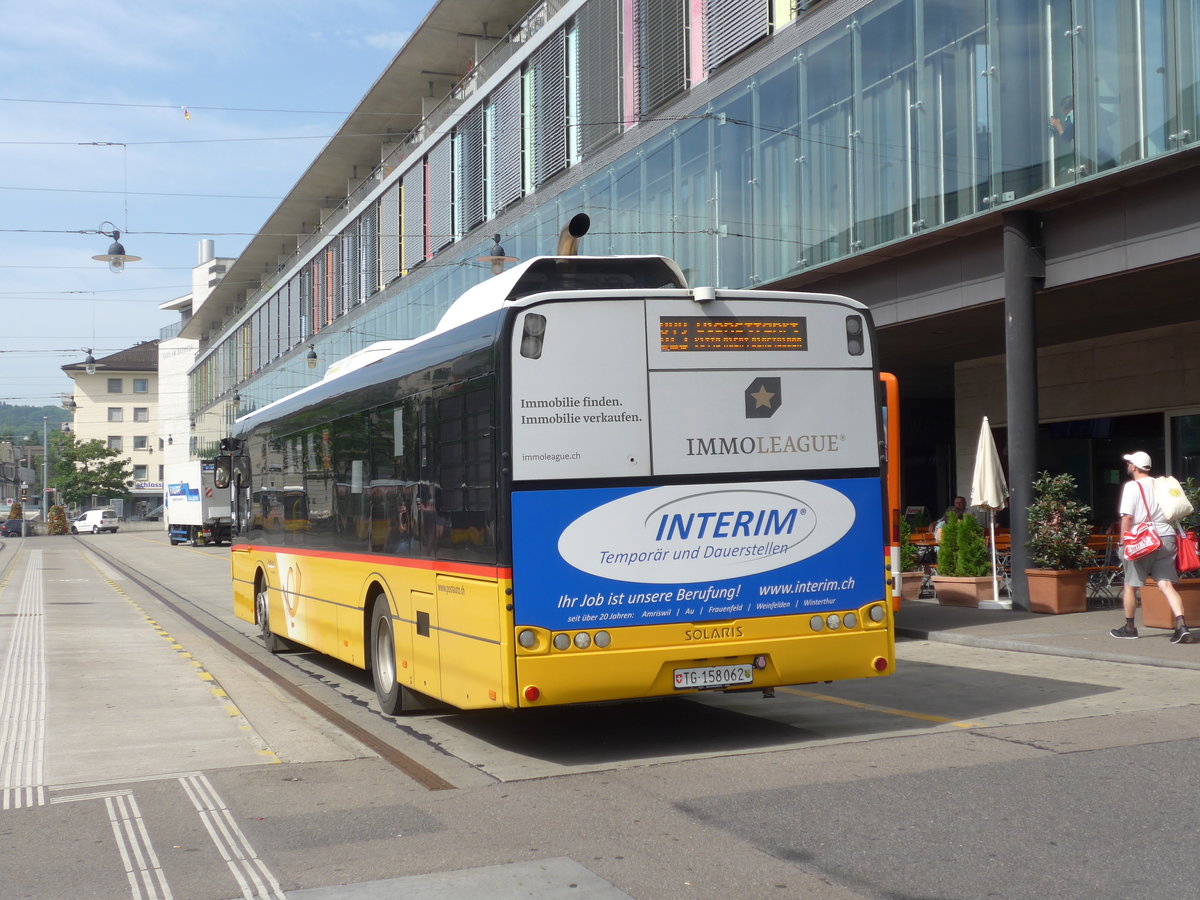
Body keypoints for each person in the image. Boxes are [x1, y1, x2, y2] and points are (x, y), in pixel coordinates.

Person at [1109, 451, 1196, 644]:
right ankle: (1182, 625)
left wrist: (1123, 542)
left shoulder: (1132, 487)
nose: (1128, 466)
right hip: (1166, 536)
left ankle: (1130, 628)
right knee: (1166, 584)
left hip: (1142, 539)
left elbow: (1128, 517)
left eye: (1129, 463)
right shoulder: (1160, 484)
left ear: (1133, 466)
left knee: (1130, 585)